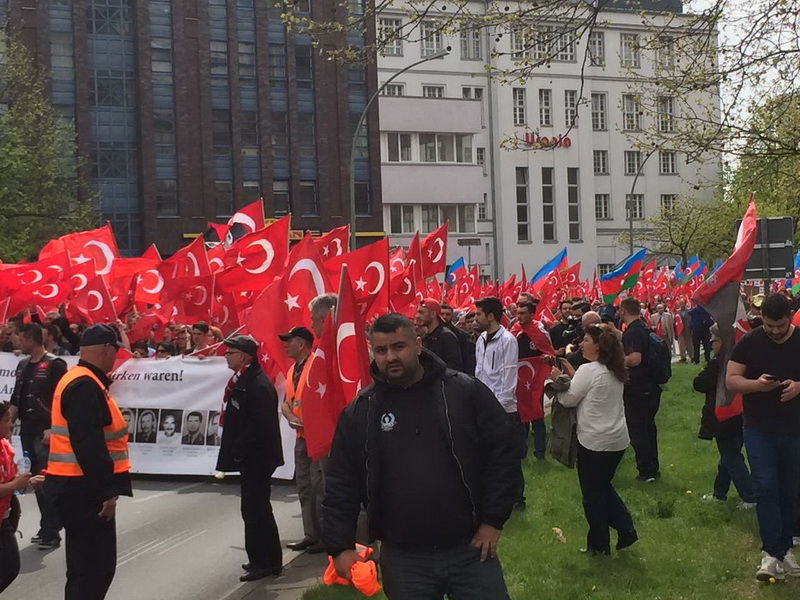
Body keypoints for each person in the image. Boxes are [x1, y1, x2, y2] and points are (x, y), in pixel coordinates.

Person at [323, 314, 520, 599]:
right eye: (381, 350)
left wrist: (493, 520)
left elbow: (504, 452)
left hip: (470, 549)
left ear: (417, 345)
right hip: (403, 559)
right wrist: (340, 546)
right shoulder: (361, 412)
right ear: (372, 352)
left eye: (399, 346)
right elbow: (341, 482)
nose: (391, 356)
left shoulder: (462, 392)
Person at [45, 324, 133, 599]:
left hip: (74, 485)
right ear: (107, 349)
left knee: (86, 568)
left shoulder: (82, 379)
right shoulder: (85, 385)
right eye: (115, 351)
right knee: (94, 570)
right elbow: (88, 444)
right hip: (83, 489)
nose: (116, 357)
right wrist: (106, 492)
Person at [726, 293, 800, 581]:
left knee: (789, 489)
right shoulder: (750, 342)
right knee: (766, 486)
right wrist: (756, 385)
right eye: (770, 326)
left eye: (780, 325)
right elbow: (732, 379)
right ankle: (771, 553)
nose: (775, 331)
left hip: (794, 428)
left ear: (790, 317)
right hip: (758, 428)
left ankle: (785, 550)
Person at [550, 324, 637, 555]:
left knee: (592, 496)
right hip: (617, 440)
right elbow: (588, 388)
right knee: (603, 487)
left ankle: (600, 545)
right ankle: (625, 529)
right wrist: (573, 375)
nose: (581, 344)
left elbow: (569, 399)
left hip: (594, 442)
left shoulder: (589, 371)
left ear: (598, 346)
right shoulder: (614, 369)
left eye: (586, 340)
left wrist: (557, 379)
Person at [217, 335, 284, 582]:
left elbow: (259, 425)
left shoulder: (257, 384)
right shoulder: (244, 380)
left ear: (243, 356)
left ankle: (266, 562)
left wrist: (238, 449)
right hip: (251, 457)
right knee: (253, 509)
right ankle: (260, 558)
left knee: (257, 510)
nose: (226, 356)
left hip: (257, 458)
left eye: (230, 352)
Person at [9, 322, 67, 549]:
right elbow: (16, 399)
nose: (18, 343)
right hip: (26, 430)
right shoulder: (23, 365)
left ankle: (52, 530)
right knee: (33, 479)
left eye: (21, 339)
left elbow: (63, 399)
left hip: (46, 431)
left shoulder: (55, 364)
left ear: (31, 340)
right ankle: (48, 527)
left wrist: (54, 428)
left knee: (46, 481)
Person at [694, 324, 756, 508]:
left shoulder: (719, 362)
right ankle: (719, 492)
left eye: (713, 341)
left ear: (721, 342)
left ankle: (750, 496)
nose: (712, 345)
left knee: (731, 457)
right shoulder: (742, 359)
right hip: (741, 413)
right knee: (728, 455)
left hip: (724, 414)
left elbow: (699, 383)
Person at [474, 296, 525, 507]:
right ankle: (493, 493)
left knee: (508, 454)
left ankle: (517, 497)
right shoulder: (480, 340)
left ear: (491, 316)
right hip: (483, 406)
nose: (475, 318)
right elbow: (479, 372)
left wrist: (500, 408)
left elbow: (508, 376)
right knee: (487, 454)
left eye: (478, 314)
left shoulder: (507, 340)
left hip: (503, 409)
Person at [279, 326, 326, 554]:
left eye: (289, 340)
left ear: (302, 343)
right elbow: (287, 402)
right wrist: (289, 416)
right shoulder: (292, 370)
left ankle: (324, 536)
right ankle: (311, 534)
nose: (285, 345)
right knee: (305, 487)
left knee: (319, 486)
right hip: (301, 436)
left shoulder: (317, 364)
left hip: (318, 436)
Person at [0, 401, 45, 592]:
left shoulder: (4, 446)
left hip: (4, 518)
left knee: (9, 568)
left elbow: (7, 480)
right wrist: (15, 485)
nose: (11, 424)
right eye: (6, 420)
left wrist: (27, 481)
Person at [619, 297, 662, 482]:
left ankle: (646, 471)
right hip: (651, 386)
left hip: (638, 388)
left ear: (623, 311)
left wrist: (616, 362)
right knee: (649, 429)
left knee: (638, 431)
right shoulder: (644, 327)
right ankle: (653, 467)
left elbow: (635, 359)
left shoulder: (633, 332)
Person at [512, 301, 554, 459]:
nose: (519, 316)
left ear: (531, 314)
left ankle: (540, 453)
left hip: (535, 380)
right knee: (521, 417)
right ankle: (521, 452)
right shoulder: (514, 330)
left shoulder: (539, 331)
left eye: (523, 313)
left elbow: (549, 353)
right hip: (519, 380)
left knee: (537, 415)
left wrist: (547, 360)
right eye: (518, 313)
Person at [416, 298, 463, 371]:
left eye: (421, 312)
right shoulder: (425, 337)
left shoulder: (447, 336)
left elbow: (454, 366)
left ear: (432, 314)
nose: (417, 316)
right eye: (418, 312)